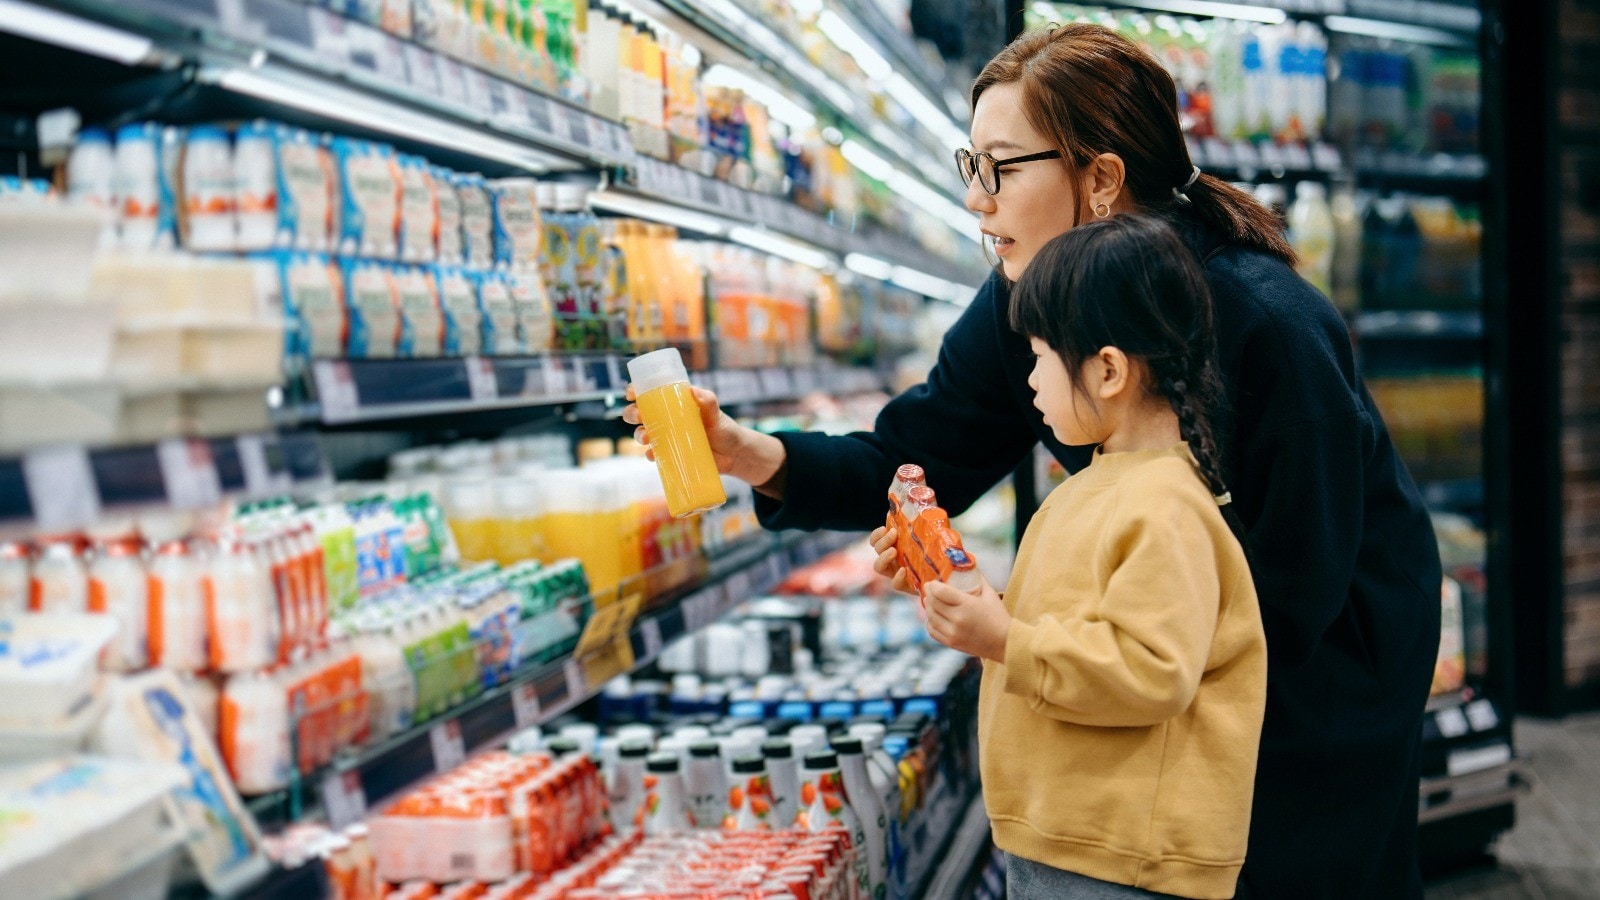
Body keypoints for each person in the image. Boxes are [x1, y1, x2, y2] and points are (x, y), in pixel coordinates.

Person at [625, 23, 1440, 898]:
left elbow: (1289, 591)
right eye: (970, 165)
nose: (979, 200)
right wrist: (751, 454)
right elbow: (914, 454)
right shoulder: (1029, 297)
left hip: (1318, 680)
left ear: (1099, 180)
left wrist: (1040, 641)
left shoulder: (1266, 322)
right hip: (1155, 658)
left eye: (1002, 168)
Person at [921, 212, 1266, 899]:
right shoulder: (1100, 487)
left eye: (1042, 356)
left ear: (1107, 370)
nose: (1031, 382)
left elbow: (1150, 670)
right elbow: (1061, 621)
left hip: (1124, 857)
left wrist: (1006, 642)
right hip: (1073, 837)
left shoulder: (1164, 508)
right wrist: (952, 587)